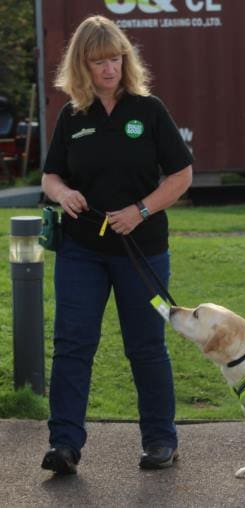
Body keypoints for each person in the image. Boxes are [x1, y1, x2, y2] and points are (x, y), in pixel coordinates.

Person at [40, 15, 193, 474]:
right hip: (81, 250)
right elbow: (50, 175)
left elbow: (182, 175)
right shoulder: (72, 116)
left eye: (114, 58)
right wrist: (62, 192)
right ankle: (64, 445)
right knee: (72, 345)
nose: (108, 68)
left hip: (141, 249)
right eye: (97, 61)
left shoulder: (148, 110)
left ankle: (161, 441)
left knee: (145, 346)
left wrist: (141, 210)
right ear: (81, 66)